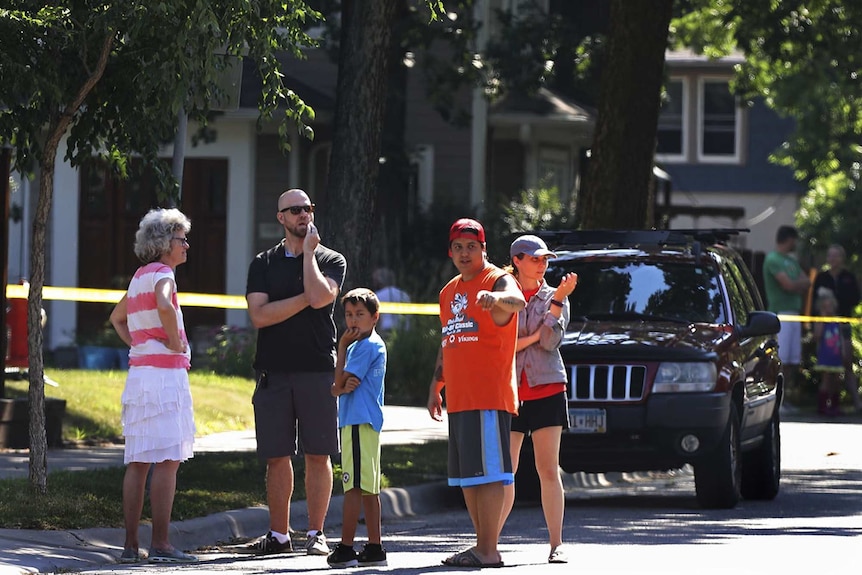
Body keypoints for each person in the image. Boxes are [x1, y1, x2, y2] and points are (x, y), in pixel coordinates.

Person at [243, 189, 346, 556]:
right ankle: (279, 535)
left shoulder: (331, 259)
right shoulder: (263, 263)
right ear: (281, 218)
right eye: (296, 210)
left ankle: (316, 534)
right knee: (277, 455)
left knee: (318, 454)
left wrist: (307, 257)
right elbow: (259, 316)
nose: (304, 215)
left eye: (308, 209)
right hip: (274, 370)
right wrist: (305, 299)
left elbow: (323, 296)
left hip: (317, 368)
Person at [427, 218, 526, 568]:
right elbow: (447, 340)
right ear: (450, 251)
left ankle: (488, 549)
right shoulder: (448, 292)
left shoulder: (498, 280)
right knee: (468, 477)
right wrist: (436, 386)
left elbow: (516, 302)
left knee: (490, 475)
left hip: (488, 396)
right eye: (458, 247)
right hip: (460, 398)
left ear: (484, 249)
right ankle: (481, 545)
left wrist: (494, 297)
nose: (465, 253)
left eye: (472, 246)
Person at [109, 208, 197, 564]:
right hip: (165, 378)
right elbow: (164, 303)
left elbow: (117, 318)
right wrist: (174, 340)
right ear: (164, 244)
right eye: (181, 239)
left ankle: (130, 546)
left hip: (141, 375)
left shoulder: (138, 277)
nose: (186, 244)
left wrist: (139, 344)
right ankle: (160, 544)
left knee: (138, 462)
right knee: (168, 460)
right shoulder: (164, 276)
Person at [500, 235, 578, 564]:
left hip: (547, 387)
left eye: (545, 259)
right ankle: (489, 542)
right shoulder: (504, 293)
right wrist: (530, 336)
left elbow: (548, 342)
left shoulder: (554, 296)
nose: (542, 264)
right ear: (517, 260)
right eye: (535, 258)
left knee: (548, 469)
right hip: (511, 390)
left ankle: (556, 543)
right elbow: (504, 345)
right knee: (506, 470)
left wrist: (558, 301)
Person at [327, 288, 389, 568]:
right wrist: (338, 386)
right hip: (365, 422)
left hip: (357, 421)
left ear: (374, 317)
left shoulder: (362, 347)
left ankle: (346, 547)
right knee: (368, 487)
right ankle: (374, 547)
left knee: (353, 486)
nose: (353, 321)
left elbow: (339, 385)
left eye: (360, 314)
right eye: (349, 314)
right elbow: (338, 386)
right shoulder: (361, 346)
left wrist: (340, 349)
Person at [762, 225, 810, 410]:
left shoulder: (791, 261)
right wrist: (797, 284)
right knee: (780, 359)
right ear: (789, 239)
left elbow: (807, 281)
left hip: (795, 314)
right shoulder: (773, 259)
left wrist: (796, 284)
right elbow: (787, 285)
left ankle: (785, 398)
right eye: (794, 240)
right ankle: (775, 399)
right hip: (781, 315)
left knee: (791, 361)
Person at [812, 244, 862, 411]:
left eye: (836, 256)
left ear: (842, 258)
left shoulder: (848, 277)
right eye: (830, 256)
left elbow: (855, 299)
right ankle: (824, 404)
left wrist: (838, 301)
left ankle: (849, 402)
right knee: (827, 367)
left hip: (843, 324)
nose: (833, 259)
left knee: (845, 361)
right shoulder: (821, 277)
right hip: (825, 325)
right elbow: (814, 303)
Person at [812, 288, 845, 416]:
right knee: (825, 379)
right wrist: (822, 319)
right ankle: (822, 405)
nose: (829, 308)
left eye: (830, 305)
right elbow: (817, 336)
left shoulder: (838, 321)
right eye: (826, 306)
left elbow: (841, 337)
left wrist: (843, 351)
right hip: (825, 354)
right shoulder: (820, 321)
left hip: (836, 354)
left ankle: (835, 405)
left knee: (836, 380)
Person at [371, 267, 412, 334]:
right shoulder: (404, 295)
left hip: (386, 329)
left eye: (375, 280)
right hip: (404, 330)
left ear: (380, 281)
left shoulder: (377, 296)